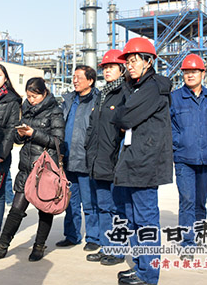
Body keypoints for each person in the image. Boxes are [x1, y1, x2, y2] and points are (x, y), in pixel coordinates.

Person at [113, 38, 173, 285]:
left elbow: (123, 117)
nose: (130, 65)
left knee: (146, 220)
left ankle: (149, 275)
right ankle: (140, 267)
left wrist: (120, 112)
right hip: (133, 160)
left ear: (148, 62)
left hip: (146, 163)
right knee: (133, 218)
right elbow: (123, 113)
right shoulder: (135, 87)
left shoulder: (153, 87)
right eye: (128, 61)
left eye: (134, 60)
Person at [0, 77, 65, 262]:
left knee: (45, 209)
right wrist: (20, 135)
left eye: (34, 96)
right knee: (16, 210)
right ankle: (2, 247)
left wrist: (34, 133)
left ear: (44, 93)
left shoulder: (55, 111)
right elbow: (17, 137)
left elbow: (58, 141)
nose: (31, 100)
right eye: (29, 96)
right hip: (26, 168)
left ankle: (39, 246)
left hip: (45, 170)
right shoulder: (27, 109)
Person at [170, 54, 207, 250]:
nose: (190, 75)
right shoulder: (175, 98)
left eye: (194, 71)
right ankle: (188, 242)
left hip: (206, 159)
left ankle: (199, 234)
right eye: (187, 72)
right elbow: (167, 124)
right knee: (187, 201)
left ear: (203, 73)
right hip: (183, 159)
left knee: (200, 202)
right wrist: (178, 141)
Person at [84, 49, 128, 266]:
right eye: (105, 67)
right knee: (102, 206)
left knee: (117, 208)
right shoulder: (101, 95)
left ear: (122, 69)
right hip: (98, 159)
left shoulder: (125, 93)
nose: (107, 71)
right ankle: (105, 246)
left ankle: (118, 250)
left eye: (111, 67)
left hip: (115, 160)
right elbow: (93, 127)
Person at [56, 65, 100, 252]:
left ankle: (94, 237)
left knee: (90, 203)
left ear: (90, 80)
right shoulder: (68, 100)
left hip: (86, 159)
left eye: (79, 77)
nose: (75, 80)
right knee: (70, 201)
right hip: (68, 158)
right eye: (74, 77)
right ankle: (72, 235)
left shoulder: (97, 101)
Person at [0, 64, 21, 248]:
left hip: (0, 155)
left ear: (5, 78)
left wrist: (2, 153)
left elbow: (11, 129)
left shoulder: (12, 101)